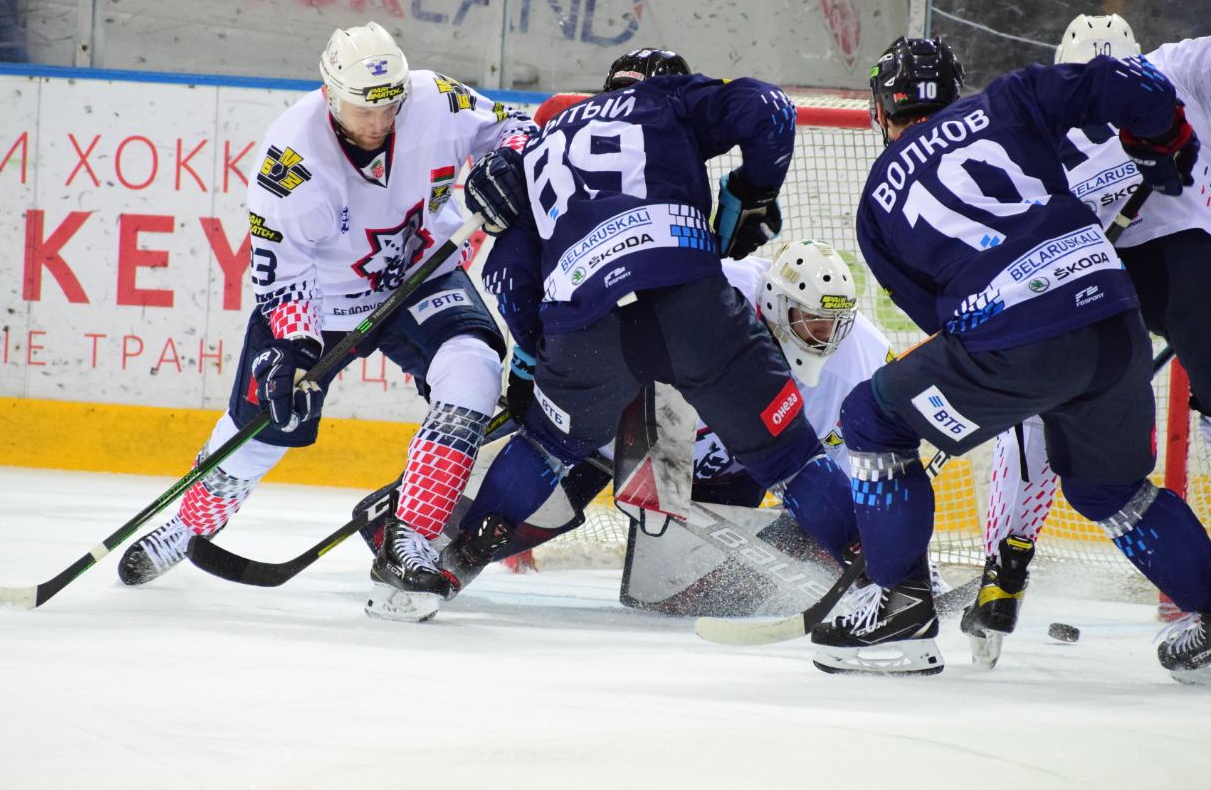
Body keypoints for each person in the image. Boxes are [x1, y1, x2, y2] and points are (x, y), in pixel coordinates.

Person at [814, 35, 1211, 685]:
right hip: (1113, 320)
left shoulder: (876, 201)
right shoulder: (1008, 101)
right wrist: (1165, 135)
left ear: (880, 111)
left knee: (872, 418)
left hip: (1017, 341)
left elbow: (941, 323)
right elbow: (1131, 83)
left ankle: (899, 603)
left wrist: (1011, 382)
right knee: (1108, 489)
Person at [385, 48, 860, 628]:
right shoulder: (669, 101)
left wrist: (535, 358)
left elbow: (508, 272)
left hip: (585, 327)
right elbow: (770, 108)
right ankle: (883, 574)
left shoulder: (543, 139)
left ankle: (455, 561)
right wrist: (753, 189)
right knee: (791, 458)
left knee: (545, 447)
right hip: (688, 301)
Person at [968, 16, 1211, 678]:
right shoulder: (1170, 66)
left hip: (1094, 284)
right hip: (1205, 266)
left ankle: (1003, 578)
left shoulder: (1040, 123)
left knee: (1035, 415)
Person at [117, 22, 536, 621]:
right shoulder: (290, 160)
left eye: (390, 106)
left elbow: (516, 126)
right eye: (364, 109)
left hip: (425, 275)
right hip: (322, 302)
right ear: (330, 94)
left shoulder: (436, 98)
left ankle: (410, 542)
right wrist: (293, 345)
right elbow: (283, 271)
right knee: (263, 429)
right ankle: (186, 526)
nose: (380, 122)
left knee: (473, 371)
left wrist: (509, 163)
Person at [364, 238, 894, 623]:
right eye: (811, 323)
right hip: (623, 426)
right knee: (524, 517)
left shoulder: (859, 358)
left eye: (832, 326)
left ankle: (885, 576)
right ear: (774, 304)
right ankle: (420, 534)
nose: (823, 338)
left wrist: (866, 541)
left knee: (682, 593)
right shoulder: (717, 290)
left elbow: (835, 467)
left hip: (728, 466)